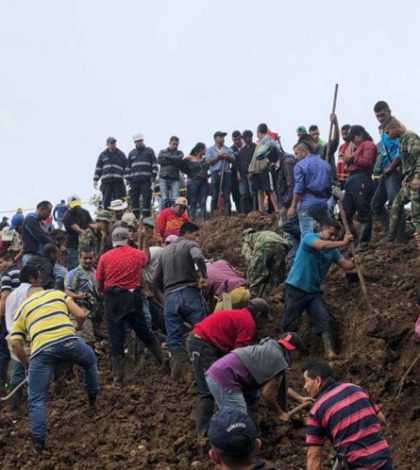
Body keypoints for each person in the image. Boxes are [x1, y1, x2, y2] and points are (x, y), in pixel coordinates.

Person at [10, 285, 99, 455]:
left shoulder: (22, 308)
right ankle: (92, 402)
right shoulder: (57, 294)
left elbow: (15, 344)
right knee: (90, 362)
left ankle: (38, 445)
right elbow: (80, 314)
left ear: (28, 296)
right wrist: (77, 329)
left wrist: (27, 365)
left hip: (41, 352)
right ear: (43, 290)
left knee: (36, 398)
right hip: (69, 342)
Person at [186, 298, 269, 435]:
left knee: (217, 382)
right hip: (202, 344)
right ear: (259, 316)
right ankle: (204, 432)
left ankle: (212, 426)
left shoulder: (240, 315)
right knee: (207, 389)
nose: (263, 326)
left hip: (203, 342)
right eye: (264, 321)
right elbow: (240, 356)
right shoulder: (248, 323)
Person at [96, 227, 163, 385]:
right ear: (127, 239)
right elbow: (146, 258)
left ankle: (118, 378)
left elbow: (99, 282)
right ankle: (163, 360)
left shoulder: (104, 258)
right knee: (144, 331)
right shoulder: (137, 254)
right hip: (133, 298)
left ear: (113, 241)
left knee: (115, 337)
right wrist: (144, 240)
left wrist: (104, 292)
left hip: (113, 299)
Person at [282, 221, 354, 359]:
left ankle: (330, 352)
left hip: (313, 292)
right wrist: (343, 242)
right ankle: (286, 354)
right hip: (296, 288)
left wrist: (355, 261)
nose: (333, 238)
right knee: (290, 322)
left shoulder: (332, 250)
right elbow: (321, 245)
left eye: (335, 236)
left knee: (323, 318)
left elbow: (345, 264)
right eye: (331, 234)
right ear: (321, 230)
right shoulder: (309, 237)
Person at [303, 360, 393, 470]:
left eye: (306, 381)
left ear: (317, 380)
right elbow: (381, 417)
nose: (304, 386)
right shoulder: (356, 388)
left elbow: (314, 456)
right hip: (383, 458)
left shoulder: (316, 410)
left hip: (357, 464)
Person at [205, 334, 311, 420]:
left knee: (252, 399)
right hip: (224, 377)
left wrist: (300, 398)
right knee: (237, 419)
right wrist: (280, 413)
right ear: (294, 351)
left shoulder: (271, 348)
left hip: (220, 370)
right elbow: (267, 394)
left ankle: (252, 435)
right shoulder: (278, 360)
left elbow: (276, 385)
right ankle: (234, 442)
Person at [154, 222, 208, 380]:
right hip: (189, 292)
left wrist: (166, 295)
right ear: (188, 233)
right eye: (196, 235)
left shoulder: (164, 252)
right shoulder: (190, 244)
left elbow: (156, 280)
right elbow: (198, 256)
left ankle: (176, 372)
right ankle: (204, 367)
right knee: (202, 330)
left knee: (174, 337)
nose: (197, 238)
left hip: (170, 297)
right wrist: (204, 276)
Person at [4, 265, 42, 411]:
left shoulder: (12, 294)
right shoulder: (30, 292)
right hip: (26, 337)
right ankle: (34, 403)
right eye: (38, 277)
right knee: (33, 368)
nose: (40, 280)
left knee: (17, 369)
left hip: (12, 335)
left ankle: (15, 405)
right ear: (31, 278)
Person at [383, 118, 420, 243]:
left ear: (395, 128)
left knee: (416, 214)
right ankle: (391, 237)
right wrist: (407, 178)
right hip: (409, 180)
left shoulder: (410, 137)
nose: (387, 136)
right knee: (396, 205)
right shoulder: (402, 140)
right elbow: (407, 161)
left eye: (388, 133)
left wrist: (417, 177)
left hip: (416, 181)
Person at [341, 125, 377, 251]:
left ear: (360, 135)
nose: (352, 141)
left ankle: (363, 243)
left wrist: (351, 159)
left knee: (363, 211)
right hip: (351, 180)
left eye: (353, 138)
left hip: (362, 177)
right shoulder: (357, 148)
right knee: (345, 214)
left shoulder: (368, 145)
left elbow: (368, 163)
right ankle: (355, 240)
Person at [287, 142, 333, 236]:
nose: (295, 157)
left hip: (306, 205)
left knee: (307, 237)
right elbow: (329, 188)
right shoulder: (326, 165)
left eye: (296, 153)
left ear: (304, 151)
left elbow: (298, 188)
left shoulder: (299, 166)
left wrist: (293, 206)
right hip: (323, 205)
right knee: (326, 236)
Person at [65, 247, 100, 346]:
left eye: (90, 258)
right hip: (82, 312)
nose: (88, 261)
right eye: (85, 258)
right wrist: (78, 296)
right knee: (85, 341)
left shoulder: (96, 272)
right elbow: (67, 292)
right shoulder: (74, 273)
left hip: (97, 312)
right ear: (80, 258)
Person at [241, 228, 290, 297]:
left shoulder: (247, 238)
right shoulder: (263, 233)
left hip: (265, 245)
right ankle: (274, 296)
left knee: (255, 274)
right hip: (282, 246)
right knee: (276, 275)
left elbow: (247, 254)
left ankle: (252, 298)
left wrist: (253, 267)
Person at [248, 123, 280, 213]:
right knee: (259, 190)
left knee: (270, 189)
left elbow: (269, 155)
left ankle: (277, 209)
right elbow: (255, 158)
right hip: (256, 170)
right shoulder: (259, 143)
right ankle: (261, 210)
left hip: (265, 169)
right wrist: (251, 169)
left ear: (258, 131)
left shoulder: (268, 140)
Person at [277, 148, 300, 265]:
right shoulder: (283, 163)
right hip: (291, 204)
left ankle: (292, 267)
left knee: (289, 235)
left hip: (292, 206)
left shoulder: (287, 163)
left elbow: (292, 186)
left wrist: (286, 205)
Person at [126, 133, 158, 218]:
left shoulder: (149, 151)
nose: (138, 142)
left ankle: (146, 216)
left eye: (140, 141)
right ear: (134, 142)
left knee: (147, 197)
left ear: (142, 140)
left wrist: (153, 175)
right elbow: (128, 167)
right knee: (134, 198)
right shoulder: (131, 153)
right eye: (137, 141)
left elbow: (155, 164)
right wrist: (127, 179)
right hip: (134, 180)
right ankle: (135, 216)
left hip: (146, 180)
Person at [205, 131, 235, 216]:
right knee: (214, 194)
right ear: (215, 138)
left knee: (227, 194)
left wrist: (227, 157)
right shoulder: (210, 150)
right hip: (215, 173)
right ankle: (213, 215)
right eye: (220, 137)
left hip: (226, 172)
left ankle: (227, 215)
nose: (223, 138)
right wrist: (218, 157)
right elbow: (208, 162)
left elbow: (233, 160)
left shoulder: (228, 149)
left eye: (223, 137)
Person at [93, 137, 127, 210]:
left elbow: (126, 168)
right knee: (106, 200)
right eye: (111, 143)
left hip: (118, 182)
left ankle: (118, 218)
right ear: (107, 144)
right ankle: (107, 217)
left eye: (114, 143)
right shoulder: (102, 155)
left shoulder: (121, 155)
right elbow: (98, 168)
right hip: (106, 182)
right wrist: (95, 180)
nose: (113, 144)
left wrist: (128, 179)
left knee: (118, 201)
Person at [63, 195, 93, 269]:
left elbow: (91, 223)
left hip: (86, 244)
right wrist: (86, 233)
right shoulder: (67, 215)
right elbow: (77, 229)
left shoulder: (85, 212)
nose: (76, 207)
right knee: (74, 266)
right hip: (73, 245)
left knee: (88, 265)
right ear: (69, 205)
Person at [22, 201, 55, 265]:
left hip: (40, 257)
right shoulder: (30, 219)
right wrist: (57, 245)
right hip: (31, 256)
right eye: (48, 211)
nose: (49, 214)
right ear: (41, 209)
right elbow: (42, 237)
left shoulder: (40, 222)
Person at [182, 142, 209, 221]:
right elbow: (182, 167)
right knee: (193, 201)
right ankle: (192, 219)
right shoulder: (189, 158)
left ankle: (204, 218)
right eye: (204, 148)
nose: (206, 150)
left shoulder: (204, 159)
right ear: (200, 149)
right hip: (193, 182)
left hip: (203, 182)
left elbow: (207, 168)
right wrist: (189, 173)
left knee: (203, 200)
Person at [158, 136, 184, 210]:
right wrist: (173, 159)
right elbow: (160, 161)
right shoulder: (162, 151)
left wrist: (167, 157)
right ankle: (161, 216)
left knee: (175, 199)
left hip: (175, 178)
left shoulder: (179, 153)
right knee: (164, 199)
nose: (175, 146)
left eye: (177, 144)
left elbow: (179, 160)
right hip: (164, 177)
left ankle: (174, 216)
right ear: (169, 143)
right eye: (174, 144)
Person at [237, 130, 256, 214]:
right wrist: (238, 173)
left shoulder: (256, 147)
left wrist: (252, 172)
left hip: (252, 173)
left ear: (250, 137)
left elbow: (257, 161)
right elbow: (238, 162)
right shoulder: (242, 150)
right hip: (242, 174)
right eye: (243, 138)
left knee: (253, 193)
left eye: (245, 138)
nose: (244, 140)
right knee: (243, 194)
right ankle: (244, 212)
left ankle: (255, 211)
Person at [230, 130, 243, 212]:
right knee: (236, 193)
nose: (237, 141)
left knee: (247, 193)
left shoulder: (246, 146)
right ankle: (239, 211)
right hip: (234, 173)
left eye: (238, 139)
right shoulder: (231, 149)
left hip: (246, 172)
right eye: (235, 140)